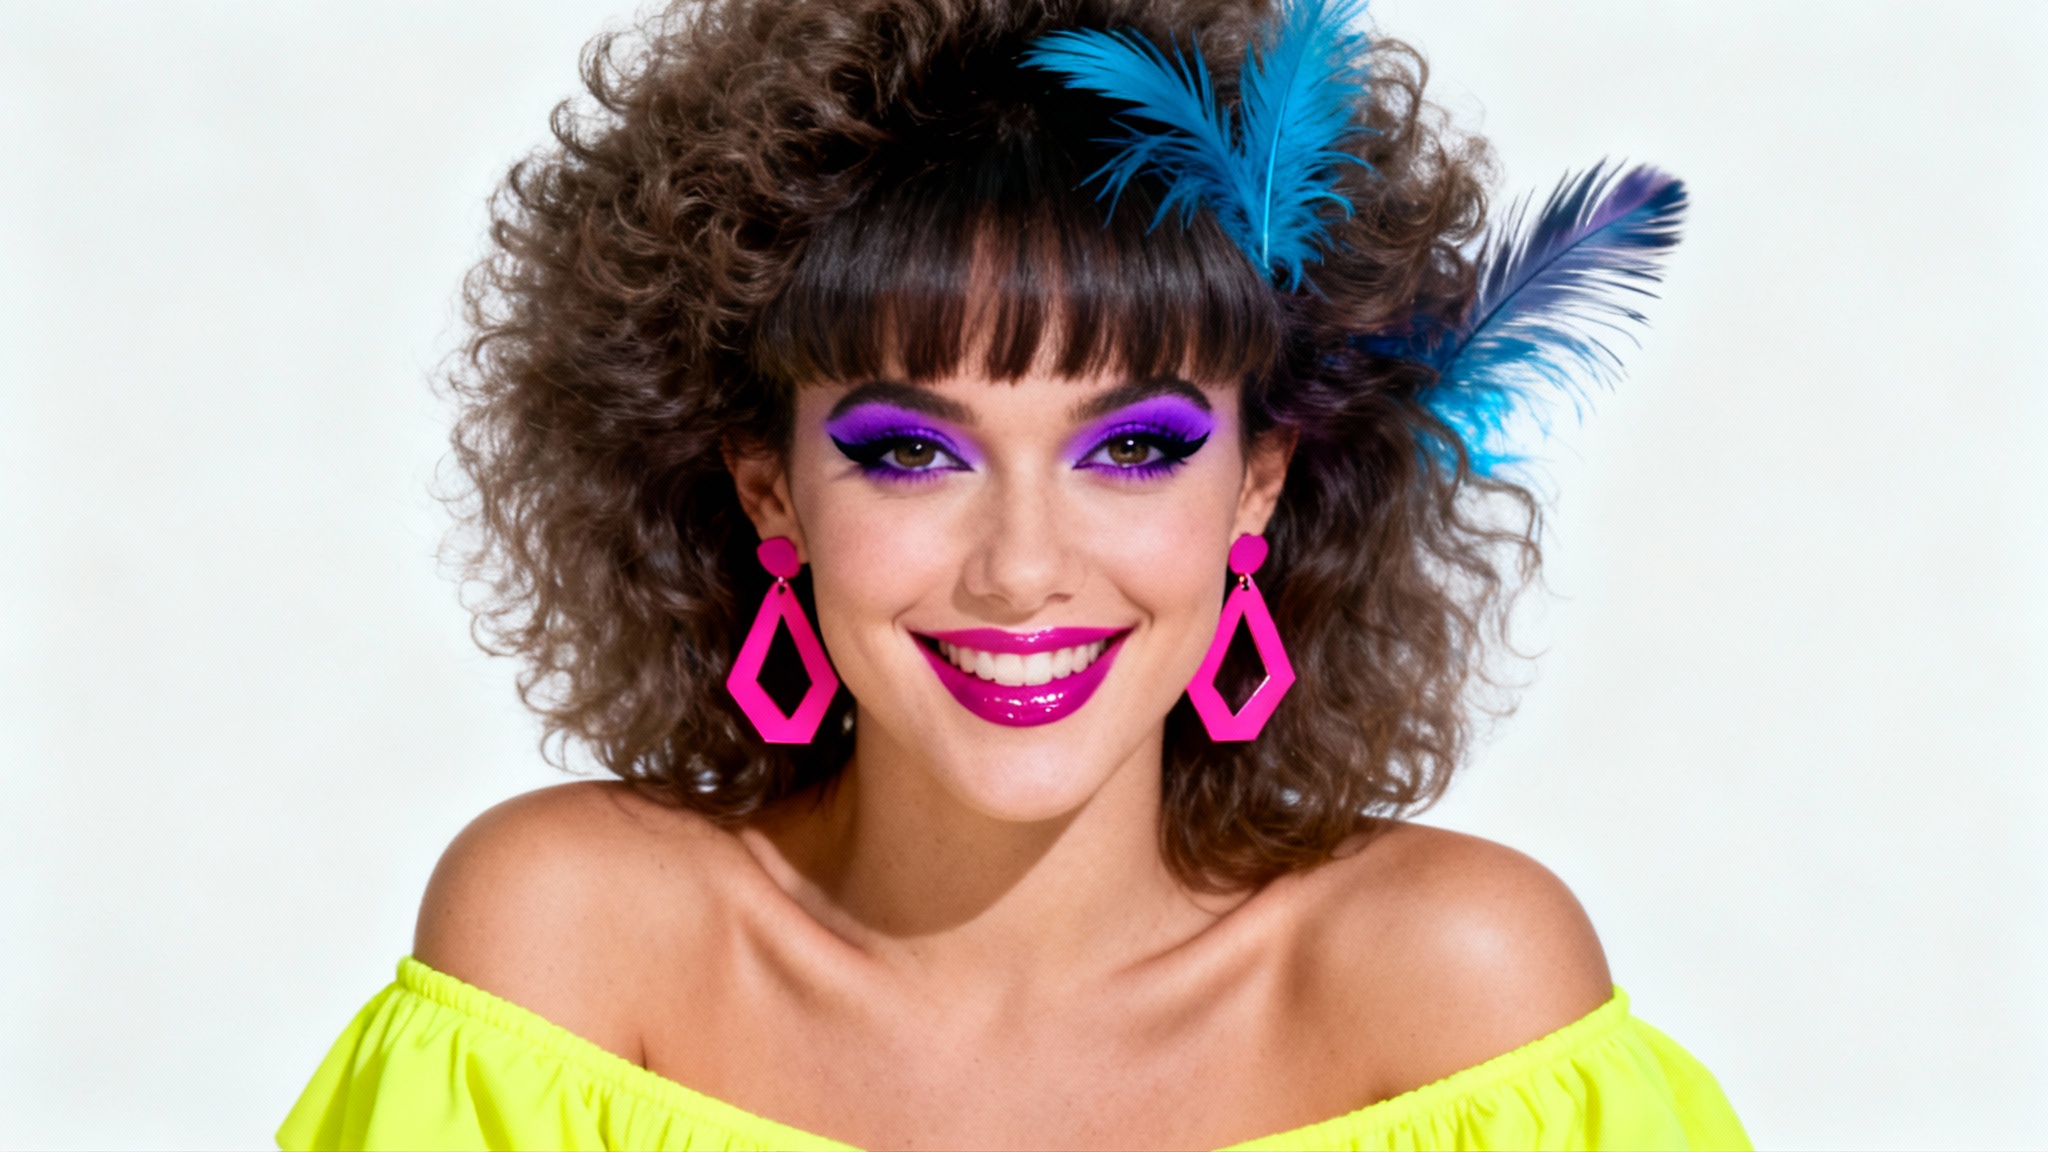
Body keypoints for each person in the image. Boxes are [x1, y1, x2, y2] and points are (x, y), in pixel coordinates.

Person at [279, 0, 1747, 1146]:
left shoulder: (1456, 994)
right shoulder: (570, 951)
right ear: (767, 487)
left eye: (1136, 448)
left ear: (1260, 482)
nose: (1023, 569)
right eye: (913, 452)